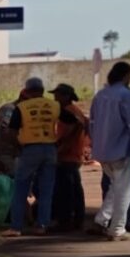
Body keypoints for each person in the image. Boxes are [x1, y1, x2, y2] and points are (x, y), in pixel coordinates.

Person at [1, 77, 75, 237]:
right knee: (46, 190)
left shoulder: (22, 107)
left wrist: (19, 145)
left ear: (27, 91)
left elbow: (11, 130)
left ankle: (16, 227)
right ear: (42, 90)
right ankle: (42, 225)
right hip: (50, 149)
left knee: (20, 188)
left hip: (30, 149)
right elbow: (72, 122)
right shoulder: (54, 105)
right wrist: (59, 140)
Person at [89, 61, 130, 241]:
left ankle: (101, 220)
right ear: (127, 76)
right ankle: (117, 229)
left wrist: (96, 145)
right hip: (122, 150)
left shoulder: (100, 95)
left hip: (103, 150)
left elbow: (91, 123)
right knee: (125, 190)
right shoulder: (127, 96)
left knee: (114, 187)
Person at [50, 84, 88, 231]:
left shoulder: (68, 112)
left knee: (65, 190)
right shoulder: (76, 110)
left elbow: (75, 127)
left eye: (57, 95)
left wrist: (60, 146)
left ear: (65, 96)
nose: (55, 97)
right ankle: (77, 219)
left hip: (67, 155)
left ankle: (66, 220)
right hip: (74, 154)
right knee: (75, 188)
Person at [0, 90, 27, 176]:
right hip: (5, 152)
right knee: (11, 177)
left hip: (16, 152)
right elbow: (5, 129)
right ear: (22, 99)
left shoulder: (23, 111)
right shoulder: (9, 109)